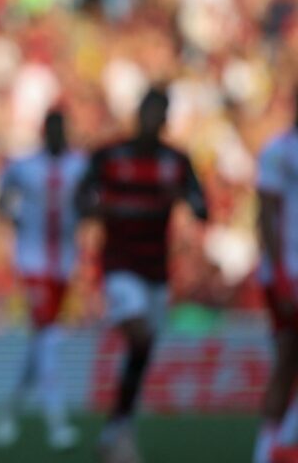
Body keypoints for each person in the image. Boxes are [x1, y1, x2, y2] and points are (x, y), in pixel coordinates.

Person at [75, 87, 208, 463]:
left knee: (143, 349)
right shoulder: (109, 155)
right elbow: (82, 195)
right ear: (139, 114)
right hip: (120, 264)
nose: (152, 120)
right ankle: (120, 433)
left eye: (159, 114)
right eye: (148, 112)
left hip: (157, 269)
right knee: (139, 334)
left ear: (165, 119)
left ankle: (117, 429)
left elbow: (201, 206)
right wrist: (94, 209)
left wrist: (187, 198)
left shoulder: (176, 161)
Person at [0, 109, 86, 450]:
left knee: (40, 342)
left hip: (65, 263)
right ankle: (57, 423)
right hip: (32, 263)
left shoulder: (81, 165)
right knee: (49, 339)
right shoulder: (24, 166)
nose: (57, 136)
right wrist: (15, 219)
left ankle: (7, 412)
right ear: (44, 133)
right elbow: (1, 196)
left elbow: (90, 202)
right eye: (53, 130)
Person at [253, 88, 298, 463]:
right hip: (287, 273)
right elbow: (265, 215)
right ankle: (271, 450)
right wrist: (280, 273)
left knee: (288, 361)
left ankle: (274, 448)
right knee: (286, 360)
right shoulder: (278, 151)